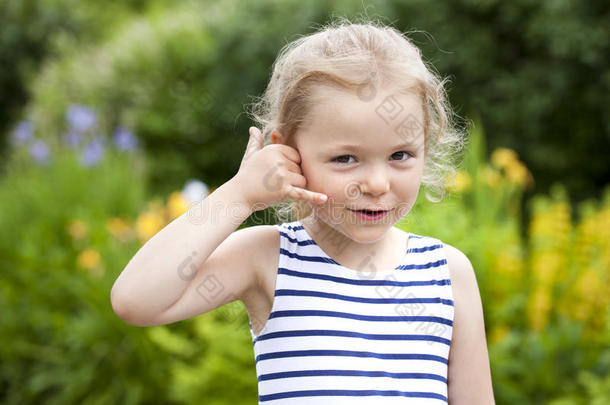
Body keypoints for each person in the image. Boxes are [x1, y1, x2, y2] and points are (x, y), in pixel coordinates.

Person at [110, 17, 496, 404]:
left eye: (400, 155)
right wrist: (240, 195)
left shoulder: (447, 273)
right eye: (346, 158)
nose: (378, 184)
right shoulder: (269, 259)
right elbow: (135, 299)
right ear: (288, 153)